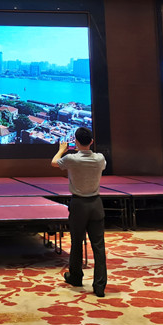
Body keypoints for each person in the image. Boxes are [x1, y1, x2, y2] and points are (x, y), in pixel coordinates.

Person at [51, 127, 107, 297]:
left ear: (75, 141)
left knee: (76, 242)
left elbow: (54, 163)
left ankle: (76, 277)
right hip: (96, 204)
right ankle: (100, 286)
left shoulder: (71, 159)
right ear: (92, 141)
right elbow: (102, 165)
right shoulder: (100, 158)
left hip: (78, 204)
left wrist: (61, 150)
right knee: (99, 246)